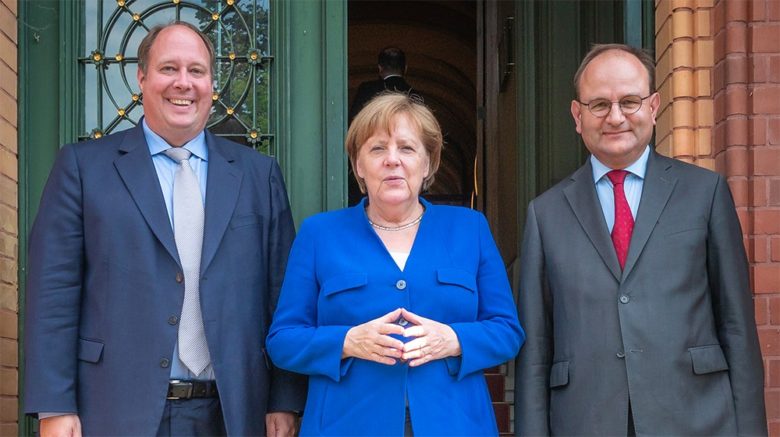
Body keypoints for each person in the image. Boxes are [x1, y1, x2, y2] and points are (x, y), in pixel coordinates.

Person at [24, 22, 306, 436]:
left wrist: (284, 399)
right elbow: (53, 294)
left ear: (212, 82)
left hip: (234, 412)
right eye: (168, 68)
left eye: (196, 71)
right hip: (114, 409)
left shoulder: (258, 174)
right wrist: (53, 405)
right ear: (142, 77)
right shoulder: (83, 168)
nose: (183, 83)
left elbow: (283, 295)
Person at [514, 43, 767, 435]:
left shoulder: (705, 193)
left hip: (697, 418)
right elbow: (535, 353)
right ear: (577, 116)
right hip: (586, 420)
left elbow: (737, 327)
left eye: (629, 101)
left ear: (653, 106)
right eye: (599, 105)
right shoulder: (544, 214)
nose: (616, 117)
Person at [267, 93, 524, 436]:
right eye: (377, 149)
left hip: (456, 423)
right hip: (345, 424)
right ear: (358, 165)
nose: (392, 160)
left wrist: (453, 339)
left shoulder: (469, 228)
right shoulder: (320, 233)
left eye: (406, 148)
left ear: (428, 163)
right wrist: (347, 341)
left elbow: (507, 331)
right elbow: (283, 340)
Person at [349, 47, 413, 124]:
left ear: (380, 68)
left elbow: (354, 121)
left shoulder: (367, 89)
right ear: (406, 69)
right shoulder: (414, 95)